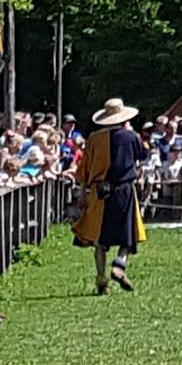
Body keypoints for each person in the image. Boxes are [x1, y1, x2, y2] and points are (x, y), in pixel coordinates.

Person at [72, 97, 148, 295]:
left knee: (100, 238)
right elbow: (143, 156)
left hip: (100, 193)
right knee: (128, 232)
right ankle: (120, 264)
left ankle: (101, 279)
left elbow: (84, 170)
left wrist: (82, 194)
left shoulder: (94, 139)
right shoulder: (132, 137)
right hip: (124, 190)